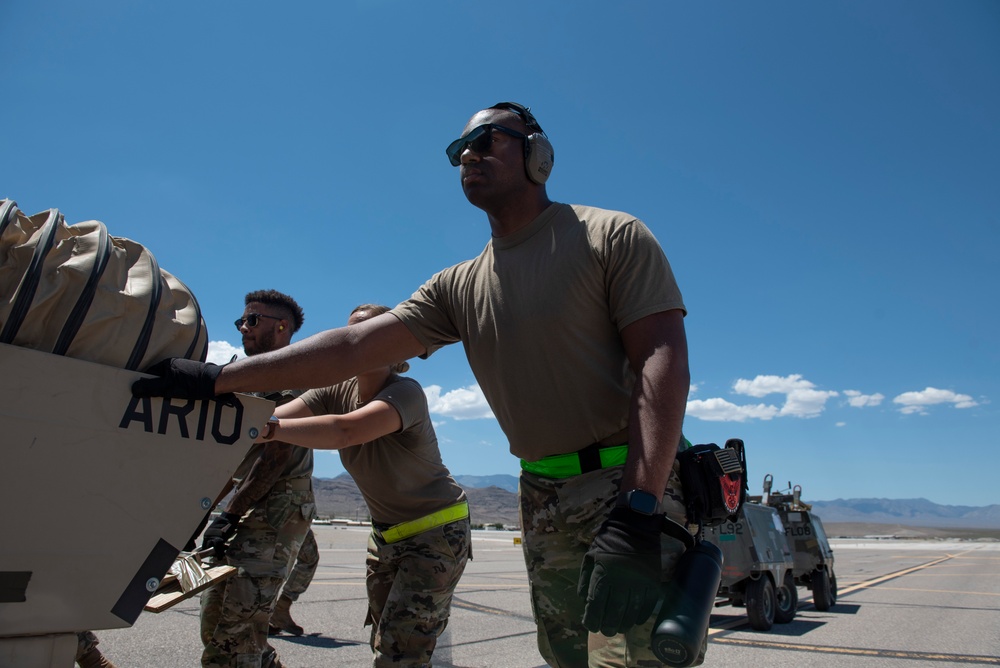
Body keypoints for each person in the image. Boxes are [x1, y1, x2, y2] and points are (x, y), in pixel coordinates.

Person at [134, 102, 694, 668]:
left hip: (626, 484)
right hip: (541, 493)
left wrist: (640, 507)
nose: (468, 155)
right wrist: (213, 380)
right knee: (569, 657)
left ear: (538, 154)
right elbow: (352, 347)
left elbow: (661, 359)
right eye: (459, 151)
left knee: (639, 658)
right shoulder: (458, 285)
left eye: (487, 139)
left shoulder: (609, 235)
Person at [259, 304, 471, 667]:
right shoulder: (332, 390)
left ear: (394, 347)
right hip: (386, 536)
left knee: (400, 653)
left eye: (372, 332)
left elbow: (346, 430)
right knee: (385, 641)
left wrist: (268, 430)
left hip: (435, 535)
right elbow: (276, 417)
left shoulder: (405, 392)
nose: (359, 340)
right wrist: (239, 421)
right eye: (352, 334)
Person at [199, 289, 316, 668]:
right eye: (241, 321)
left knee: (234, 637)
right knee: (218, 622)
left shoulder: (292, 377)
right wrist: (199, 511)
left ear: (282, 328)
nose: (243, 328)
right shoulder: (251, 379)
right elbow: (232, 462)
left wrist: (228, 516)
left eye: (252, 320)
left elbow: (274, 458)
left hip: (275, 514)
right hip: (247, 507)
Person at [268, 527, 317, 637]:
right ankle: (266, 615)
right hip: (287, 516)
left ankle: (277, 610)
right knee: (276, 561)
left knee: (308, 559)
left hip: (297, 516)